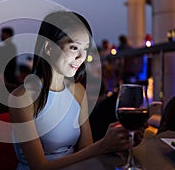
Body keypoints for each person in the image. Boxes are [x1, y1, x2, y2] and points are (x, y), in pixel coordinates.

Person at [8, 11, 144, 170]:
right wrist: (102, 146)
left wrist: (119, 142)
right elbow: (39, 167)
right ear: (49, 48)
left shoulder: (78, 91)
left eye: (85, 49)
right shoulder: (22, 98)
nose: (82, 57)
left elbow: (87, 150)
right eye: (74, 47)